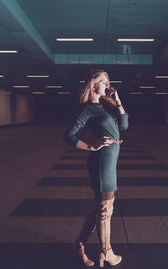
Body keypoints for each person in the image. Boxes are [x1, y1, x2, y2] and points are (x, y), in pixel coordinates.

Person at [63, 69, 129, 267]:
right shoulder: (88, 108)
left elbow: (124, 125)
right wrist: (91, 145)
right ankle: (106, 251)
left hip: (109, 161)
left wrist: (118, 102)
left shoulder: (102, 107)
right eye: (103, 81)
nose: (107, 84)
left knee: (100, 209)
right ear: (93, 85)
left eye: (108, 80)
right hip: (102, 162)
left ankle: (79, 245)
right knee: (105, 210)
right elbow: (69, 135)